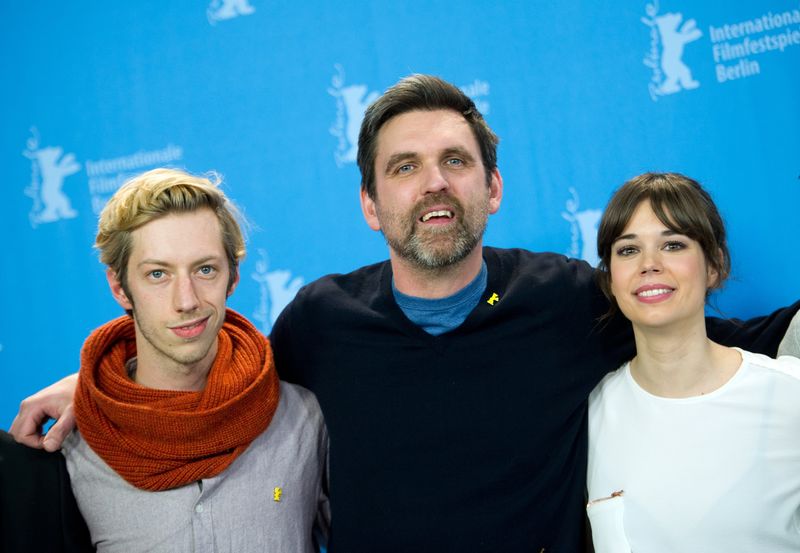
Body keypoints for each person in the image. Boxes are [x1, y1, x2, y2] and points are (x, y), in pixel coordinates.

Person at [10, 76, 799, 552]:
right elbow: (214, 372)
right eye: (404, 167)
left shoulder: (565, 297)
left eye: (455, 161)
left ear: (492, 189)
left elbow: (702, 336)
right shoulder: (321, 320)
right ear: (368, 202)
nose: (433, 184)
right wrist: (98, 384)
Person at [38, 168, 328, 552]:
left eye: (205, 269)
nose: (186, 300)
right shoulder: (76, 440)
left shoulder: (303, 417)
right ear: (120, 288)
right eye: (158, 274)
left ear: (233, 278)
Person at [586, 172, 800, 551]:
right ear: (610, 278)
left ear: (714, 266)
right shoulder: (590, 414)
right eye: (628, 249)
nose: (649, 264)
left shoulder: (790, 394)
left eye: (673, 245)